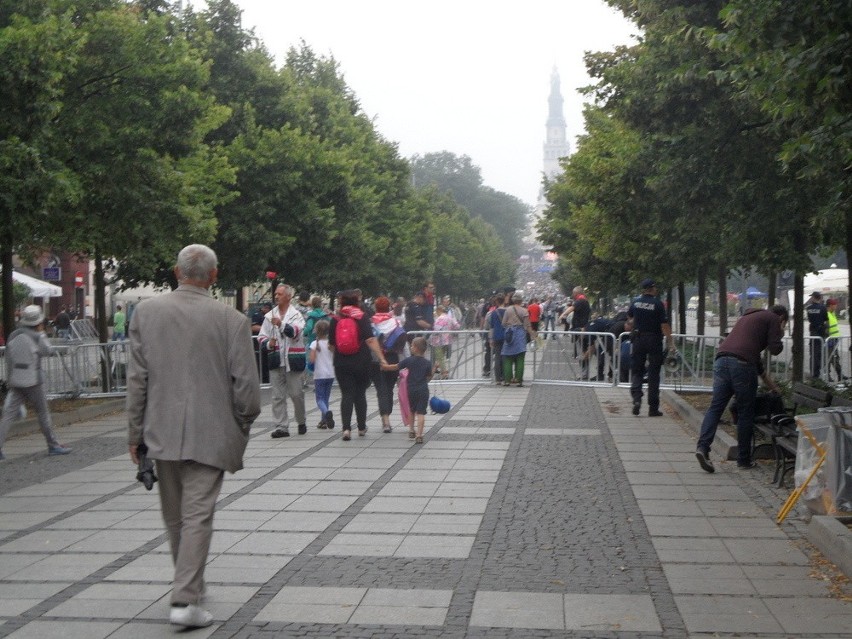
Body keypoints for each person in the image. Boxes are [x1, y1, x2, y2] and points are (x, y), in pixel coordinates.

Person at [126, 244, 260, 628]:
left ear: (175, 271)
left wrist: (135, 433)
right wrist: (242, 424)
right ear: (214, 275)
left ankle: (191, 589)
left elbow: (138, 380)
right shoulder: (231, 319)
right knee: (197, 514)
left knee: (175, 517)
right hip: (213, 432)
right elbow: (247, 388)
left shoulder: (146, 313)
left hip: (161, 429)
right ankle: (186, 598)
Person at [695, 304, 788, 473]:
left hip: (721, 360)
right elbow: (775, 349)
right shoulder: (774, 318)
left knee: (715, 408)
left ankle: (702, 448)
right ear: (781, 317)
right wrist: (779, 330)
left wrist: (774, 388)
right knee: (746, 412)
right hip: (742, 366)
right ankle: (743, 459)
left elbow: (759, 367)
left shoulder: (748, 318)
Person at [0, 305, 72, 460]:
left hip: (16, 379)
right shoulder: (38, 337)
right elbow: (48, 351)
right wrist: (43, 334)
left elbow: (8, 356)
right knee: (43, 413)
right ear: (39, 321)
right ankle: (53, 445)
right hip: (34, 379)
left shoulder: (13, 335)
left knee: (8, 415)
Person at [330, 290, 388, 440]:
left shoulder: (336, 319)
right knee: (360, 394)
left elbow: (331, 345)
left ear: (342, 302)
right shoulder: (362, 317)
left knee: (347, 394)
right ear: (357, 302)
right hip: (361, 361)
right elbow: (370, 340)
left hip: (341, 362)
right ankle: (361, 427)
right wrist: (381, 358)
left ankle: (346, 429)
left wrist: (338, 354)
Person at [259, 284, 307, 438]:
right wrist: (268, 343)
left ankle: (301, 420)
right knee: (277, 395)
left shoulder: (296, 315)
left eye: (279, 294)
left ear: (288, 297)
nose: (276, 297)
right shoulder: (269, 317)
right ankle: (281, 426)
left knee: (296, 394)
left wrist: (281, 324)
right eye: (275, 294)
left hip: (293, 360)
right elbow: (261, 337)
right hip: (276, 359)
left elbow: (295, 333)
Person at [628, 278, 674, 417]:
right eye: (655, 287)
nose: (656, 290)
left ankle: (636, 398)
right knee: (654, 373)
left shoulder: (635, 302)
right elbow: (664, 325)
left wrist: (637, 326)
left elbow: (630, 318)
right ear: (652, 289)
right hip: (654, 339)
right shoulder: (658, 304)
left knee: (637, 371)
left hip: (639, 339)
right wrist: (671, 342)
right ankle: (653, 408)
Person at [381, 336, 435, 444]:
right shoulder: (427, 363)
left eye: (411, 345)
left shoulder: (409, 360)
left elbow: (396, 366)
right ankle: (419, 435)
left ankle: (411, 430)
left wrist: (385, 367)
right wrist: (434, 368)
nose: (410, 347)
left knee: (412, 410)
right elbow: (429, 377)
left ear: (415, 348)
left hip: (411, 390)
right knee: (421, 413)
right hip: (423, 390)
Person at [370, 296, 404, 432]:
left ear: (376, 307)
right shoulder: (395, 322)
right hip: (392, 358)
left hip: (375, 359)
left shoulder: (371, 323)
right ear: (389, 307)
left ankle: (385, 420)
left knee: (381, 389)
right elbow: (402, 343)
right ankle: (387, 415)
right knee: (389, 388)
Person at [501, 292, 536, 386]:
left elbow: (503, 323)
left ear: (513, 300)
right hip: (520, 334)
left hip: (509, 334)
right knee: (520, 358)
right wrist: (532, 334)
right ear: (521, 301)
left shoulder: (508, 310)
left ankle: (507, 380)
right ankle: (518, 380)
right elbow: (527, 325)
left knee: (508, 358)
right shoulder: (524, 311)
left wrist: (509, 326)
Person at [308, 319, 335, 429]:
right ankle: (324, 421)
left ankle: (326, 412)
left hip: (319, 374)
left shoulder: (314, 344)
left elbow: (312, 360)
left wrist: (309, 364)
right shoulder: (331, 344)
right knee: (326, 397)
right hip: (330, 374)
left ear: (316, 331)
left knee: (319, 399)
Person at [430, 304, 460, 378]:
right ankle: (433, 370)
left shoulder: (439, 319)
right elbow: (457, 326)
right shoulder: (450, 317)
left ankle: (444, 373)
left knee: (440, 357)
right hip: (448, 340)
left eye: (436, 311)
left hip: (438, 341)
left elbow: (436, 329)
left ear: (438, 310)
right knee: (441, 356)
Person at [560, 286, 591, 356]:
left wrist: (563, 314)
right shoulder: (585, 300)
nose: (572, 295)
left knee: (582, 342)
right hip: (582, 324)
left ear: (576, 293)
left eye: (573, 293)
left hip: (580, 325)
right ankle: (579, 354)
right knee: (580, 342)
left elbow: (572, 308)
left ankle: (584, 357)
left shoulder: (580, 300)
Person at [805, 291, 828, 379]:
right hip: (820, 333)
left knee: (813, 353)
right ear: (820, 298)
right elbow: (826, 320)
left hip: (812, 333)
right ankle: (816, 374)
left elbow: (810, 319)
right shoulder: (823, 308)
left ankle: (813, 372)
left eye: (812, 297)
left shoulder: (809, 308)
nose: (811, 298)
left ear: (814, 297)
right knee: (818, 354)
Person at [489, 293, 509, 384]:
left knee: (497, 357)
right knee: (505, 357)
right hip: (506, 336)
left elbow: (491, 327)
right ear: (504, 301)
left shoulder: (493, 313)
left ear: (497, 301)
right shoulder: (508, 311)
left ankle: (497, 379)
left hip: (496, 336)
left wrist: (490, 339)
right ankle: (505, 377)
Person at [250, 302, 272, 384]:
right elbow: (253, 327)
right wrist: (266, 328)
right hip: (258, 345)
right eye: (265, 308)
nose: (266, 310)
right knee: (260, 364)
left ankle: (266, 381)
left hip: (267, 344)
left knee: (266, 365)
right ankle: (261, 381)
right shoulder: (257, 315)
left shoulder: (270, 316)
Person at [826, 298, 844, 382]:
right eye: (835, 304)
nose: (836, 306)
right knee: (829, 358)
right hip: (830, 340)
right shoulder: (827, 314)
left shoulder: (832, 313)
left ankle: (840, 374)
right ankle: (828, 376)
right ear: (830, 305)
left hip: (834, 339)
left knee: (835, 357)